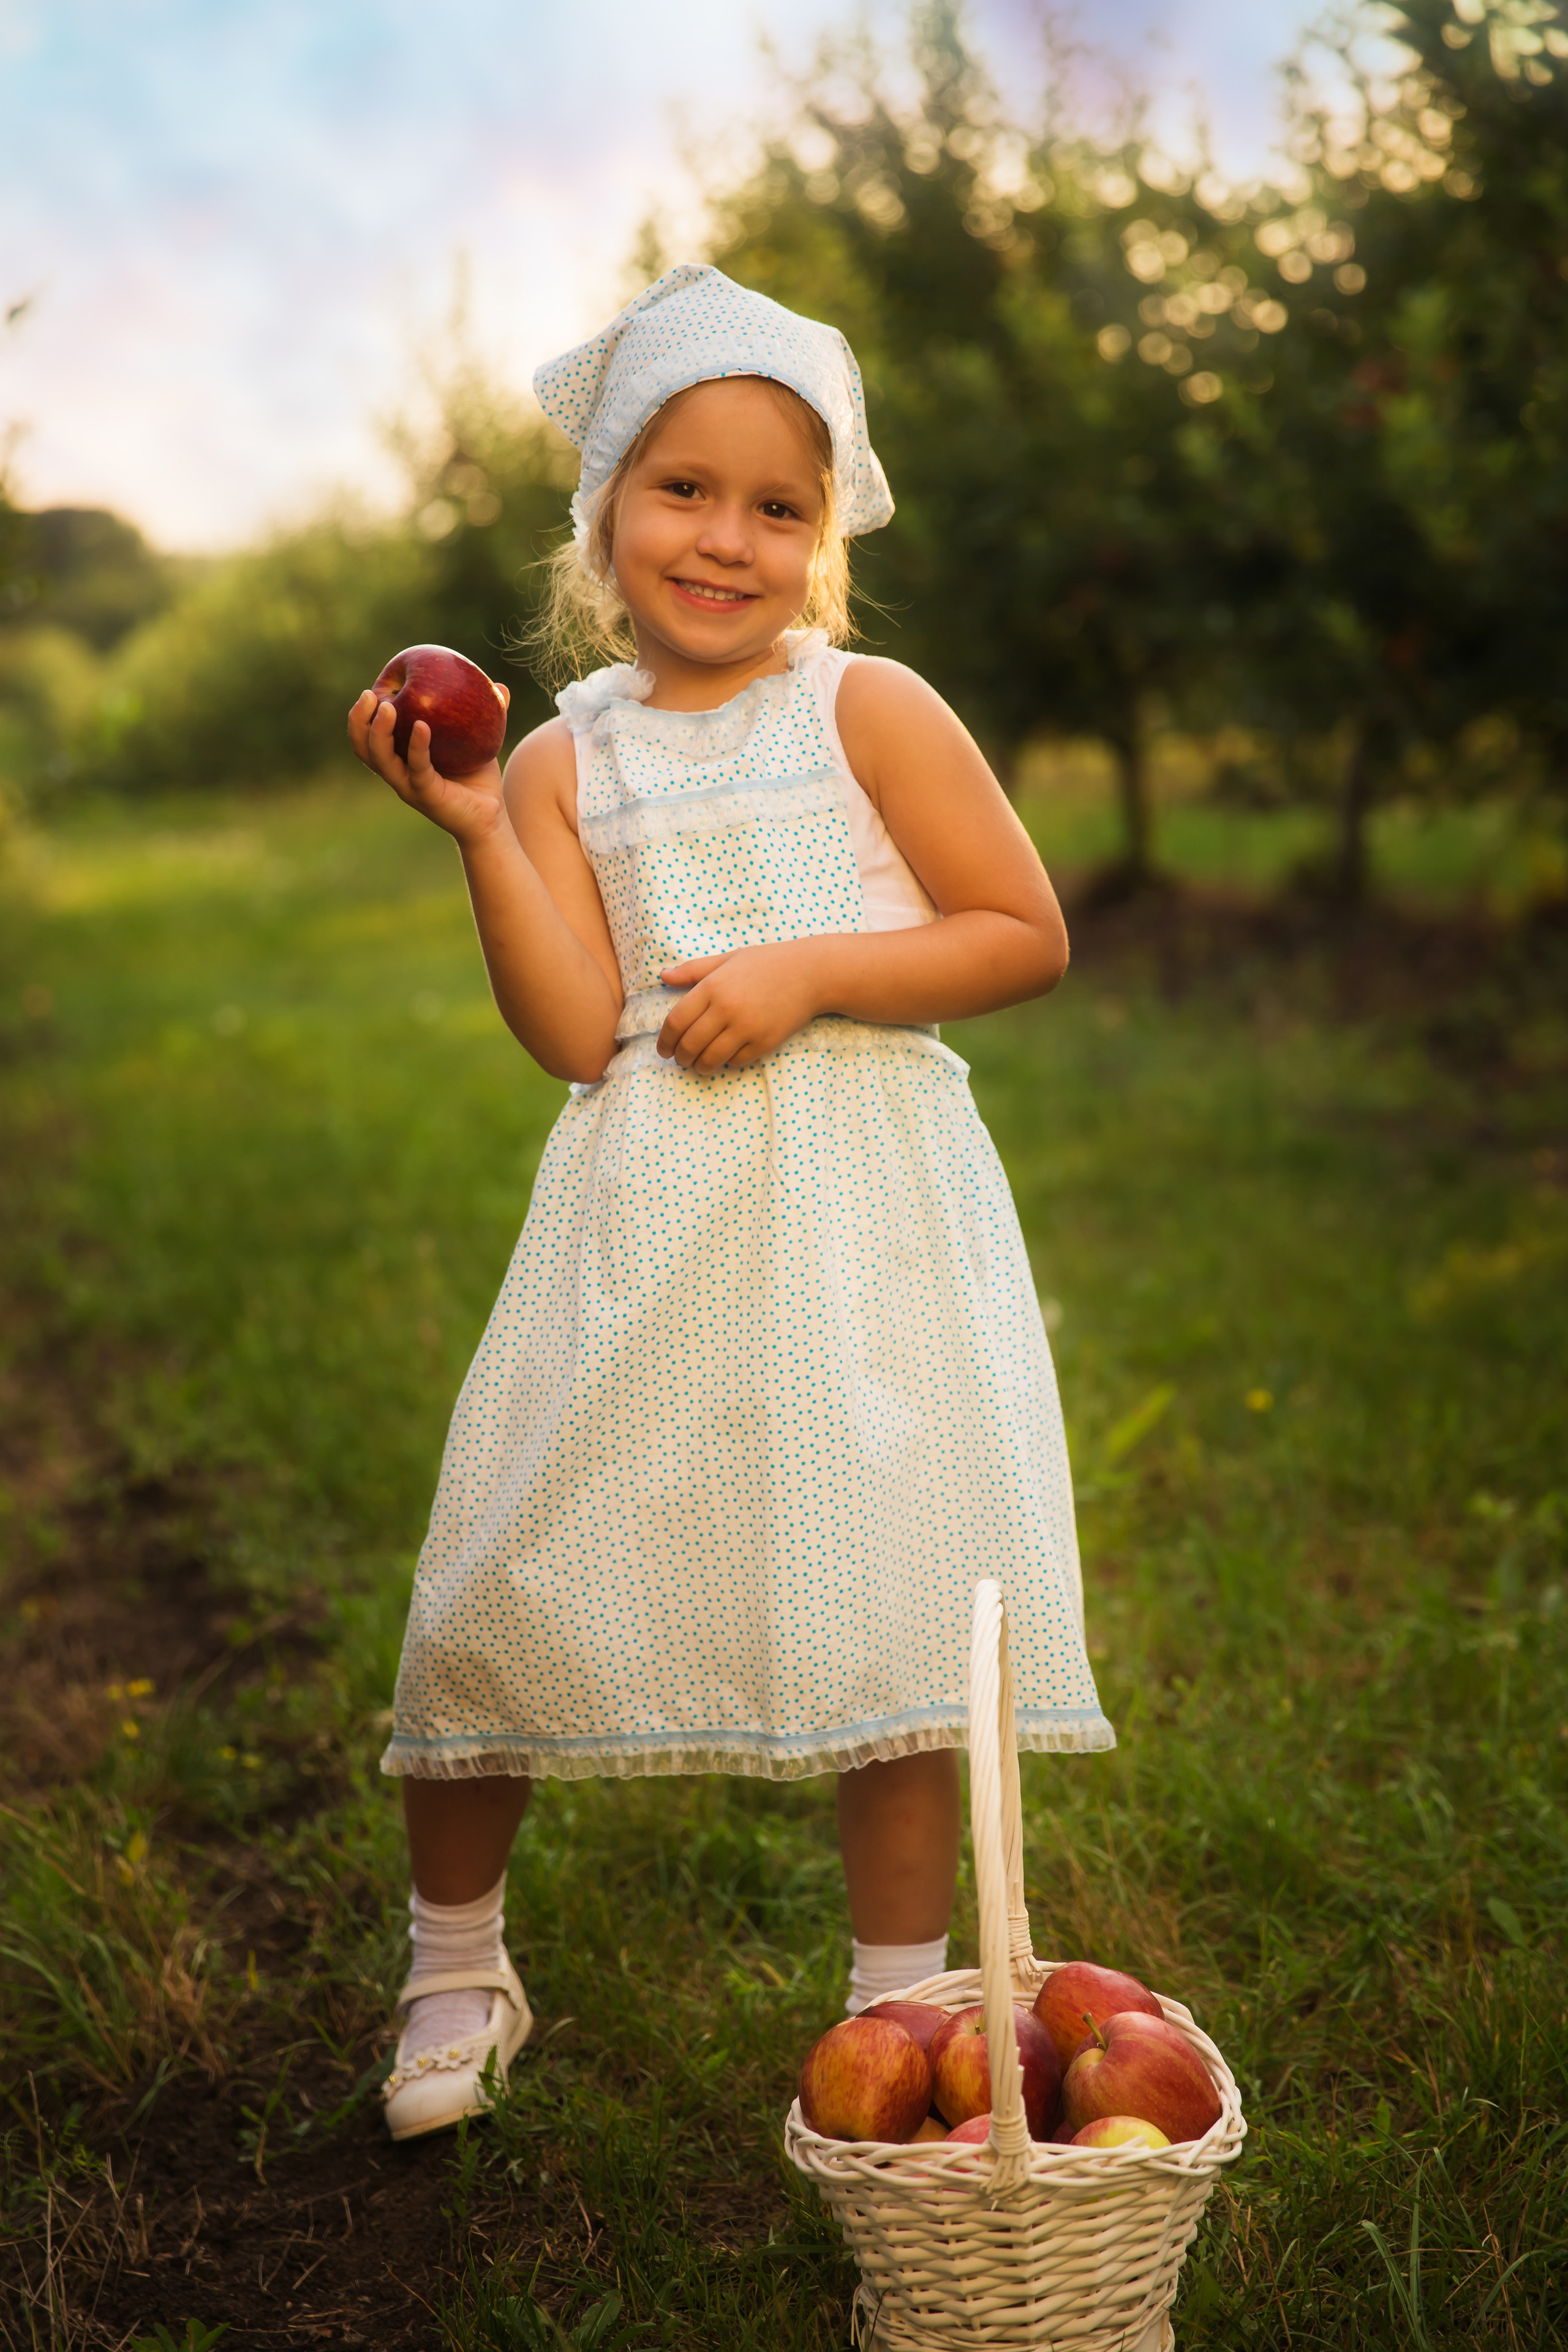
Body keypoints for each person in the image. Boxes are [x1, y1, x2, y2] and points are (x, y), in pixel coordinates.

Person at [349, 264, 1113, 2143]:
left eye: (779, 505)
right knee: (492, 1590)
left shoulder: (870, 708)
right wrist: (477, 840)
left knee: (898, 1622)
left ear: (826, 533)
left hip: (864, 1222)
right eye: (683, 489)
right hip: (647, 1227)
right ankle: (458, 1963)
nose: (728, 537)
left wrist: (815, 969)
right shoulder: (555, 759)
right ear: (604, 508)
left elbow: (1022, 933)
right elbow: (565, 1032)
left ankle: (908, 2011)